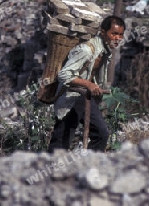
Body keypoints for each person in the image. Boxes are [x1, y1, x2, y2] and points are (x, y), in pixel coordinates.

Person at [47, 15, 125, 153]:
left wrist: (95, 88)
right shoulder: (86, 50)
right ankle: (47, 169)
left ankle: (88, 166)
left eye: (120, 34)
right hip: (71, 96)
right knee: (62, 140)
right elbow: (64, 74)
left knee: (99, 134)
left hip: (83, 97)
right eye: (114, 33)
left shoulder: (106, 52)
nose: (117, 38)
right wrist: (88, 85)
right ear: (102, 32)